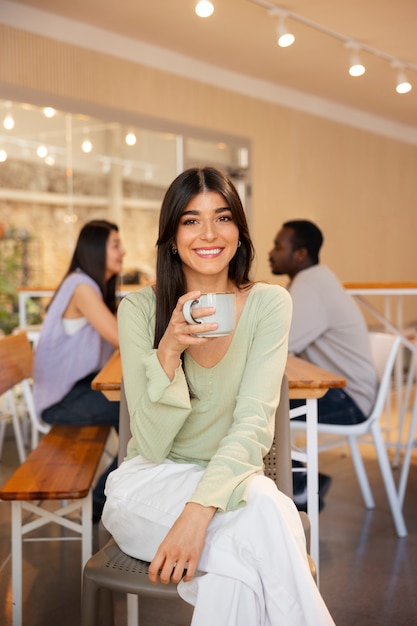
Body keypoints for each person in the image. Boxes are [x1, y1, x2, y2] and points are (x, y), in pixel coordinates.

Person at [102, 168, 335, 625]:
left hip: (233, 486)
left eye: (222, 217)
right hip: (147, 486)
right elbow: (149, 445)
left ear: (239, 233)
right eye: (190, 221)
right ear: (171, 237)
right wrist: (168, 349)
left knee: (239, 563)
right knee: (271, 512)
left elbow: (253, 425)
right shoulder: (139, 310)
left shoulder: (269, 304)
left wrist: (196, 513)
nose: (208, 233)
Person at [269, 219, 378, 510]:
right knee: (265, 400)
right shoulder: (311, 281)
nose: (272, 252)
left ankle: (300, 487)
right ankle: (302, 480)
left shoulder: (310, 287)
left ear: (300, 254)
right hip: (350, 393)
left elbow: (276, 344)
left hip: (350, 401)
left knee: (262, 405)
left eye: (279, 246)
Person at [33, 219, 126, 521]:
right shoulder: (82, 286)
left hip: (76, 391)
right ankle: (100, 503)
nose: (123, 251)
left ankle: (122, 494)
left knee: (131, 416)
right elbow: (120, 337)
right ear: (96, 249)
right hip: (60, 402)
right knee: (133, 415)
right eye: (115, 245)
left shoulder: (88, 285)